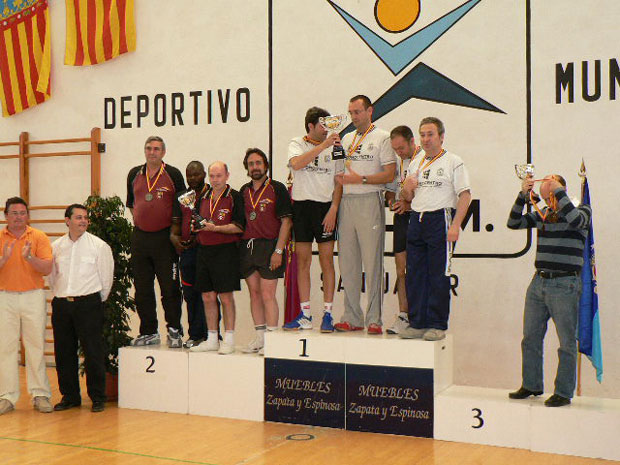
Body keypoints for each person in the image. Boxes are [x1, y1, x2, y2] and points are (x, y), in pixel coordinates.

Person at [507, 174, 591, 407]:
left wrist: (559, 193)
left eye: (552, 195)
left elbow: (575, 221)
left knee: (566, 342)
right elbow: (514, 222)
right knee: (530, 337)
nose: (549, 201)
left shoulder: (582, 210)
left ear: (563, 190)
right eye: (545, 197)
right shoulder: (544, 214)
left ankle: (563, 392)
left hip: (565, 283)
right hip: (539, 282)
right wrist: (523, 196)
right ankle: (531, 384)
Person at [400, 117, 471, 341]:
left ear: (441, 136)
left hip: (440, 219)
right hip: (416, 219)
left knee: (438, 275)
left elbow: (465, 195)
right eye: (422, 134)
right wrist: (406, 189)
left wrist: (456, 225)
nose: (426, 139)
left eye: (430, 134)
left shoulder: (453, 161)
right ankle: (417, 322)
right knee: (415, 274)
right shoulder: (416, 162)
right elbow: (407, 197)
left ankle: (437, 324)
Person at [334, 95, 397, 335]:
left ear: (370, 111)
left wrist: (360, 179)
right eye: (350, 112)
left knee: (372, 263)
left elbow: (390, 174)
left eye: (357, 111)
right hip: (347, 203)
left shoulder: (383, 137)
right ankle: (352, 316)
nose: (353, 116)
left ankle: (374, 320)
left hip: (370, 199)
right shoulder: (347, 139)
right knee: (348, 263)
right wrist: (335, 204)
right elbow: (340, 176)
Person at [49, 204, 114, 413]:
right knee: (63, 351)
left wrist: (95, 300)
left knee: (93, 351)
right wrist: (62, 295)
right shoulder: (55, 246)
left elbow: (106, 279)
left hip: (88, 304)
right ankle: (70, 396)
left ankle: (97, 397)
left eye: (85, 218)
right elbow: (52, 278)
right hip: (61, 304)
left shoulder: (99, 246)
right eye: (78, 217)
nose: (83, 221)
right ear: (67, 221)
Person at [283, 106, 342, 332]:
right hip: (302, 207)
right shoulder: (297, 143)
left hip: (325, 208)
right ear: (310, 126)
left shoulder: (335, 146)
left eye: (328, 124)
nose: (326, 129)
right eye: (322, 125)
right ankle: (305, 314)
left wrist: (334, 208)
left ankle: (328, 314)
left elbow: (339, 180)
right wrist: (323, 147)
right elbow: (296, 164)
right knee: (303, 262)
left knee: (327, 261)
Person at [126, 136, 186, 348]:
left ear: (163, 152)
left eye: (157, 149)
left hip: (165, 238)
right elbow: (132, 205)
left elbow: (183, 206)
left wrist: (175, 233)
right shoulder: (134, 174)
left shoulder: (173, 174)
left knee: (169, 287)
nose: (152, 152)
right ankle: (149, 331)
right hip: (141, 237)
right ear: (145, 151)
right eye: (149, 148)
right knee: (142, 288)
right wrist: (143, 219)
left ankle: (174, 330)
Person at [0, 197, 53, 415]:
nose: (19, 217)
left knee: (36, 347)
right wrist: (3, 259)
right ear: (6, 216)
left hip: (33, 295)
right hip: (5, 297)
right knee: (5, 348)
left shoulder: (38, 237)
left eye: (23, 213)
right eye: (14, 213)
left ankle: (40, 394)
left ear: (27, 215)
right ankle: (6, 396)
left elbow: (48, 268)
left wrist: (29, 257)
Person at [239, 148, 293, 354]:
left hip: (270, 246)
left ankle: (272, 338)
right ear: (247, 167)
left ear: (266, 165)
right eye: (251, 164)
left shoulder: (277, 188)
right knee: (254, 293)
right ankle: (260, 337)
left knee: (268, 293)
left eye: (258, 163)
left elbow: (286, 222)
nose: (255, 167)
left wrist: (278, 251)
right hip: (248, 247)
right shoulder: (243, 191)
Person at [189, 162, 245, 355]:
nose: (215, 180)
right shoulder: (202, 197)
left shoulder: (235, 197)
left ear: (227, 175)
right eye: (212, 176)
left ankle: (229, 339)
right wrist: (195, 228)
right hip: (204, 251)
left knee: (226, 297)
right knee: (207, 296)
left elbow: (239, 226)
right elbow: (196, 224)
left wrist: (216, 228)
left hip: (226, 251)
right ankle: (212, 338)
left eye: (219, 176)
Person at [170, 161, 210, 348]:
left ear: (204, 174)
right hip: (187, 253)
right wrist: (176, 239)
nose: (193, 179)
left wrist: (198, 238)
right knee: (190, 295)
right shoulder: (182, 196)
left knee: (208, 295)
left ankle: (210, 335)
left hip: (208, 251)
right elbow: (175, 226)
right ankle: (194, 335)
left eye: (196, 174)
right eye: (189, 175)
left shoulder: (212, 194)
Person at [384, 125, 420, 335]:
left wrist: (408, 204)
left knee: (417, 269)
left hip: (419, 217)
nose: (399, 152)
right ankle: (403, 315)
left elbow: (428, 195)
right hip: (401, 218)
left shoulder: (423, 159)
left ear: (412, 141)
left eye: (402, 148)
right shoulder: (397, 162)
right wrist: (392, 201)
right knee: (401, 270)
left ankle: (419, 316)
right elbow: (390, 191)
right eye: (396, 149)